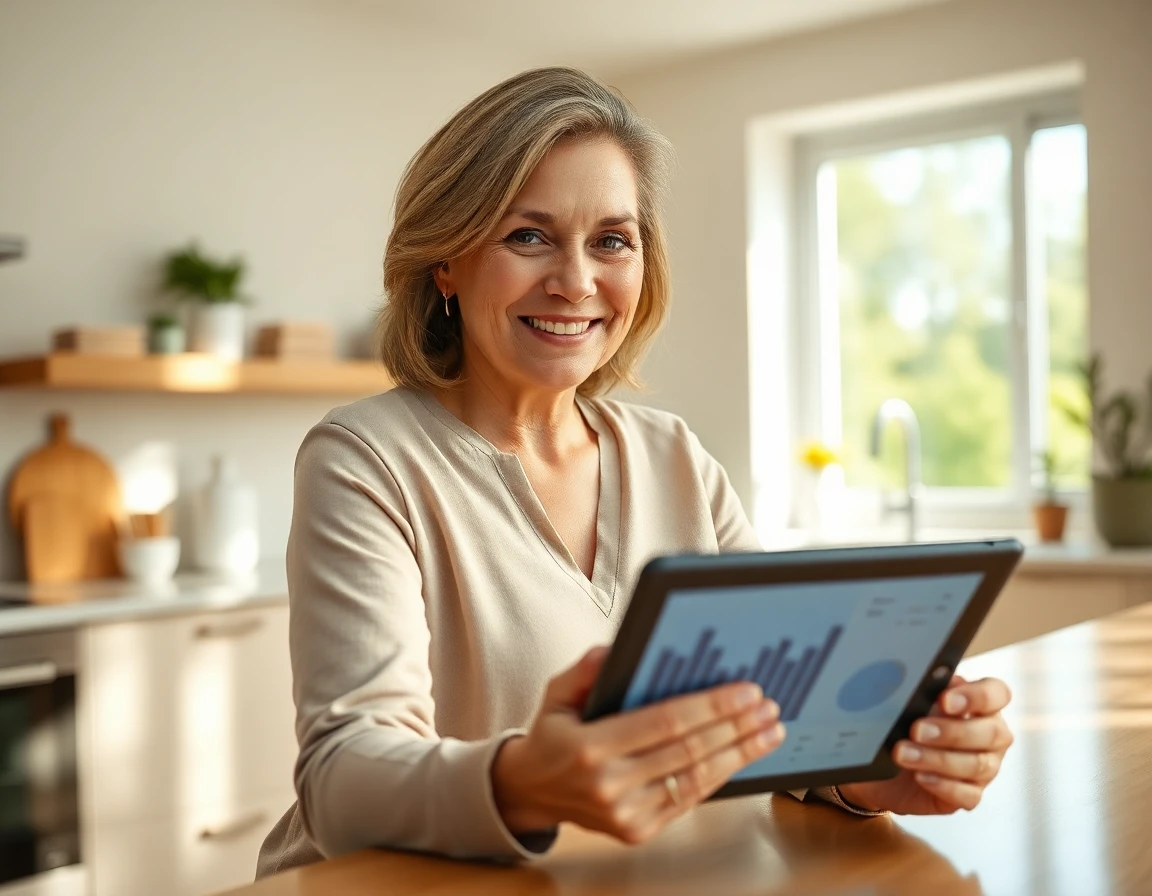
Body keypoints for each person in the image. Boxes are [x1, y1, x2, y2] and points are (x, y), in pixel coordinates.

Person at [256, 67, 1014, 876]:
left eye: (611, 241)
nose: (576, 282)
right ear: (446, 260)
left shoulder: (672, 455)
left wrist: (872, 769)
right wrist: (525, 783)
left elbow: (777, 718)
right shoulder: (366, 457)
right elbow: (341, 781)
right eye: (528, 236)